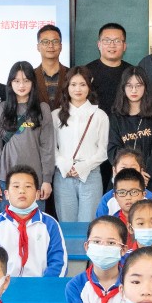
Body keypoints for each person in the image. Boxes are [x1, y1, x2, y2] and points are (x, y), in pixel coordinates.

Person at [0, 60, 55, 207]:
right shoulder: (1, 109)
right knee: (7, 220)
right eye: (16, 81)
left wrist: (47, 179)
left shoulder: (42, 109)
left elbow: (47, 146)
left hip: (35, 179)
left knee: (35, 220)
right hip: (6, 178)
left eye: (26, 80)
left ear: (33, 83)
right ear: (10, 83)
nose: (21, 85)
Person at [0, 166, 67, 277]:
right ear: (7, 194)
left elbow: (58, 262)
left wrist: (45, 285)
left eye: (28, 186)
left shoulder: (49, 224)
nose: (22, 191)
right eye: (16, 186)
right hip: (5, 285)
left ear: (37, 194)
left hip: (40, 285)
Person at [66, 215, 129, 303]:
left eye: (111, 243)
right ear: (87, 246)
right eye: (96, 241)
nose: (103, 247)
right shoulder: (76, 287)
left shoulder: (133, 284)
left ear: (123, 249)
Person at [54, 66, 110, 223]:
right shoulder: (56, 115)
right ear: (67, 86)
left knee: (89, 226)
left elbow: (103, 150)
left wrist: (83, 167)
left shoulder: (99, 115)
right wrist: (64, 165)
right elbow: (51, 148)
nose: (78, 89)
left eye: (82, 84)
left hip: (90, 175)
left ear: (89, 86)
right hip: (63, 175)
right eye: (73, 84)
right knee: (67, 226)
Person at [106, 68, 152, 195]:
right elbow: (113, 149)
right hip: (121, 179)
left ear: (145, 88)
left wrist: (143, 172)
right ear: (123, 88)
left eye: (138, 85)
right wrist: (131, 172)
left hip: (148, 179)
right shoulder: (116, 117)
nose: (134, 90)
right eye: (129, 86)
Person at [87, 22, 133, 109]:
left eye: (117, 41)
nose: (112, 45)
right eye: (107, 41)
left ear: (124, 46)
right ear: (99, 45)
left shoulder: (132, 72)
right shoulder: (86, 72)